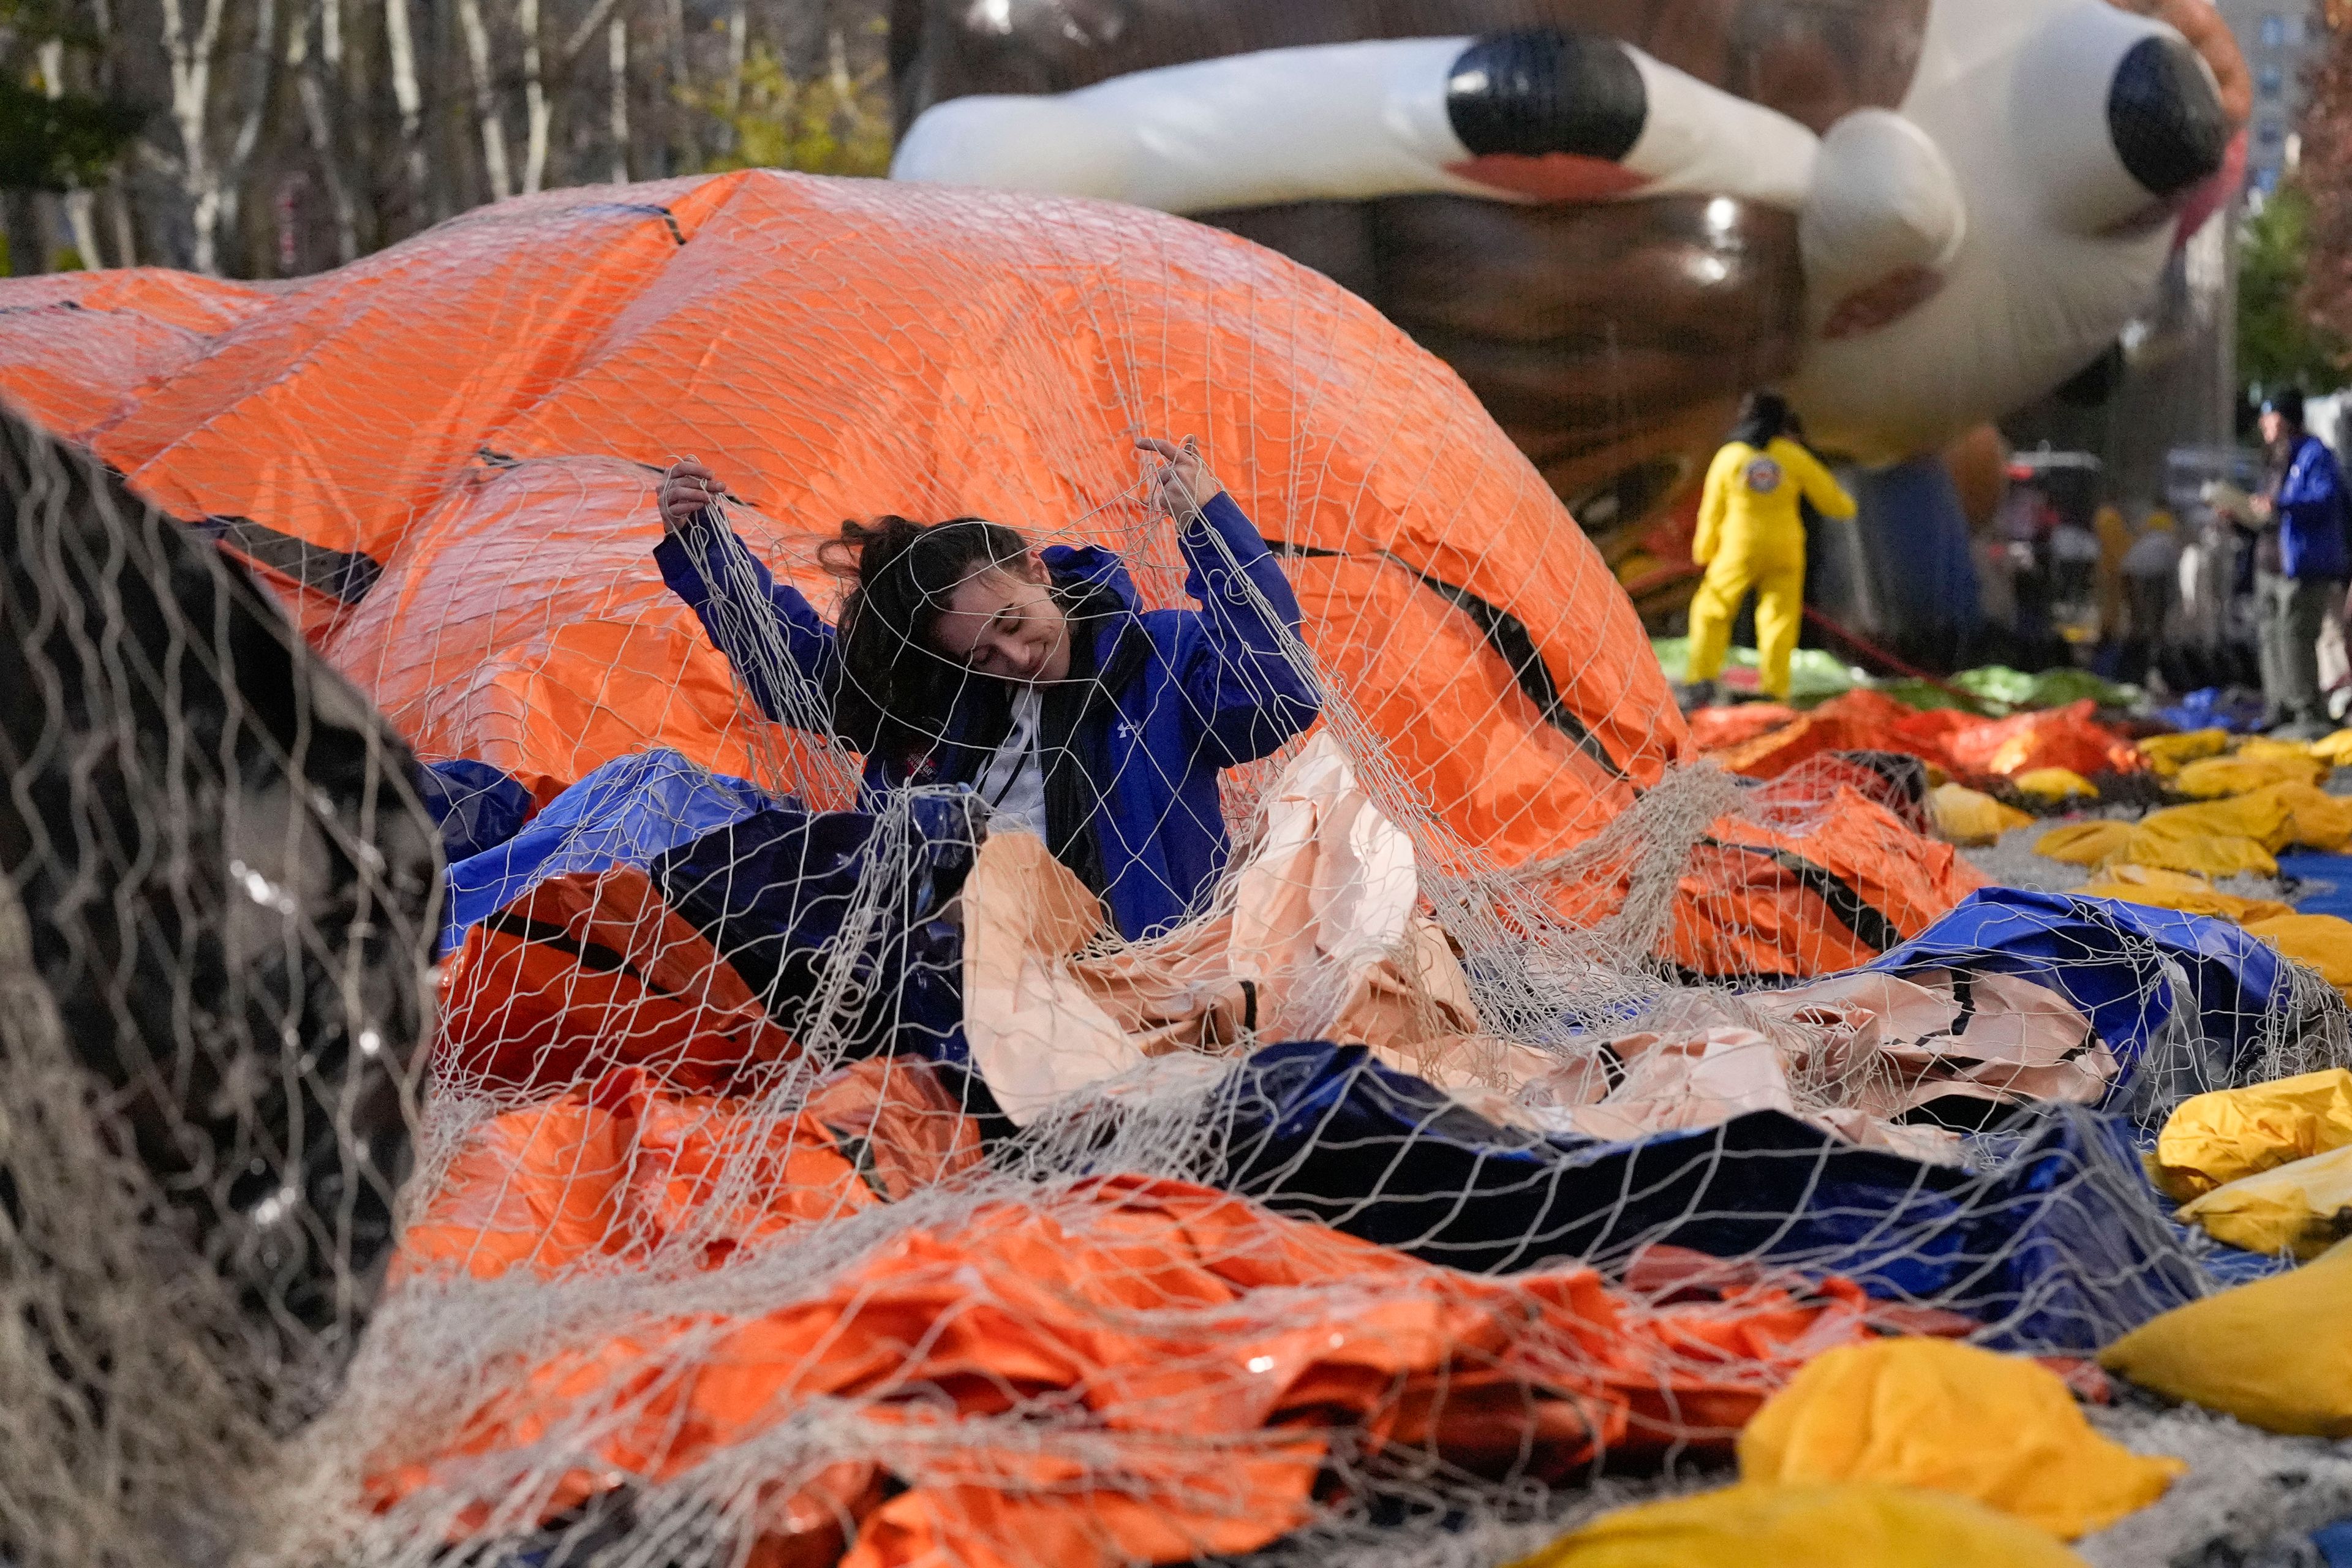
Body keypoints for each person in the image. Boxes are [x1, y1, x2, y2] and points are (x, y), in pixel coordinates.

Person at [652, 437, 1322, 941]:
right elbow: (796, 672)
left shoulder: (1160, 655)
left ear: (1038, 571)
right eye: (982, 655)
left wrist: (1212, 528)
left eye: (1014, 623)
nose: (1015, 657)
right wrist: (707, 549)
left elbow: (1275, 695)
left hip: (1133, 971)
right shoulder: (939, 695)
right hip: (949, 963)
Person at [1684, 390, 1857, 703]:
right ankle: (1775, 689)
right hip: (1786, 550)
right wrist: (1847, 505)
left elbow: (1712, 509)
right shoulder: (1790, 455)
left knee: (1712, 609)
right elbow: (1831, 498)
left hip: (1740, 547)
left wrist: (1704, 549)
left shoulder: (1731, 457)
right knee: (1779, 617)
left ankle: (1702, 679)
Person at [2248, 389, 2350, 736]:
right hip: (2269, 562)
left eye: (2270, 415)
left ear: (2286, 418)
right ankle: (2279, 707)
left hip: (2303, 565)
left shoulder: (2314, 455)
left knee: (2296, 636)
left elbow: (2324, 498)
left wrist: (2281, 504)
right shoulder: (2273, 459)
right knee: (2270, 635)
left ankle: (2307, 712)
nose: (2263, 423)